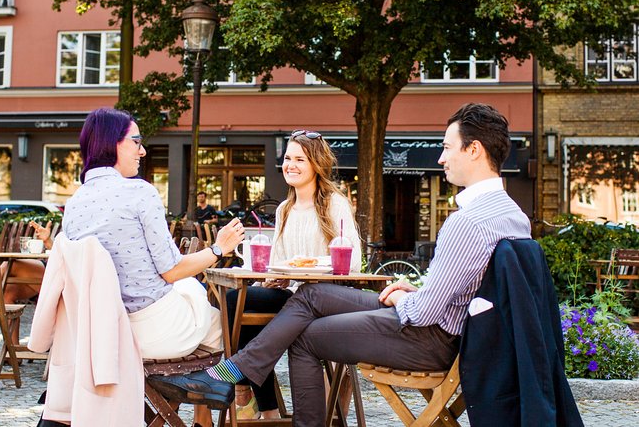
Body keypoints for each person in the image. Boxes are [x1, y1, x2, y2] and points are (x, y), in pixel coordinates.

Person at [147, 103, 532, 426]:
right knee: (313, 296)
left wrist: (406, 298)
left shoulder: (466, 221)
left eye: (448, 147)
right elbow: (460, 290)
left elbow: (425, 311)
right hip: (447, 326)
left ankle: (232, 378)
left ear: (474, 150)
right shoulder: (512, 215)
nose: (440, 157)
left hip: (429, 337)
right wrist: (415, 289)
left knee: (306, 335)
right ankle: (230, 376)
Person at [62, 107, 244, 427]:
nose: (142, 151)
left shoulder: (75, 203)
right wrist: (219, 248)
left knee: (195, 297)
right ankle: (211, 403)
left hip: (100, 336)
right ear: (114, 144)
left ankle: (194, 396)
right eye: (136, 141)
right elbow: (171, 270)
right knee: (226, 325)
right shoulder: (140, 193)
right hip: (152, 331)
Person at [227, 129, 361, 419]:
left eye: (300, 159)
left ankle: (249, 396)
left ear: (316, 164)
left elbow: (353, 262)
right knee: (235, 300)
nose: (291, 165)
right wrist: (276, 276)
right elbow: (277, 261)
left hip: (325, 299)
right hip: (291, 295)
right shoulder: (285, 209)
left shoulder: (334, 204)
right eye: (288, 158)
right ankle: (261, 403)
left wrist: (308, 266)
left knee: (241, 311)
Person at [0, 220, 54, 348]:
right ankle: (13, 351)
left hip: (59, 275)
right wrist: (49, 242)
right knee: (5, 293)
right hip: (48, 270)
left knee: (9, 265)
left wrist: (49, 242)